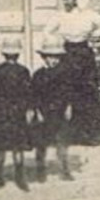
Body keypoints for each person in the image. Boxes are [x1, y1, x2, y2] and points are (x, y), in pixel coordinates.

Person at [45, 0, 100, 146]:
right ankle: (72, 134)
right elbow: (47, 31)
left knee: (88, 93)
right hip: (67, 53)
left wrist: (93, 35)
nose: (66, 1)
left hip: (84, 54)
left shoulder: (88, 15)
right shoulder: (60, 16)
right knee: (68, 92)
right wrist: (57, 42)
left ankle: (92, 134)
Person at [0, 34, 35, 191]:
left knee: (2, 147)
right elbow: (28, 94)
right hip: (13, 113)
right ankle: (15, 178)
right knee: (15, 147)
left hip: (5, 113)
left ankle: (0, 177)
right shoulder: (22, 71)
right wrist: (26, 109)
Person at [31, 40, 75, 183]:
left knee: (62, 142)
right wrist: (36, 111)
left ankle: (64, 170)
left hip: (60, 111)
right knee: (41, 143)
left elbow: (69, 92)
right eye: (50, 57)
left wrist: (68, 107)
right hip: (43, 113)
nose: (53, 60)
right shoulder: (38, 75)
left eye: (56, 57)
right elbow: (34, 95)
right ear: (44, 57)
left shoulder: (65, 74)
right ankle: (40, 171)